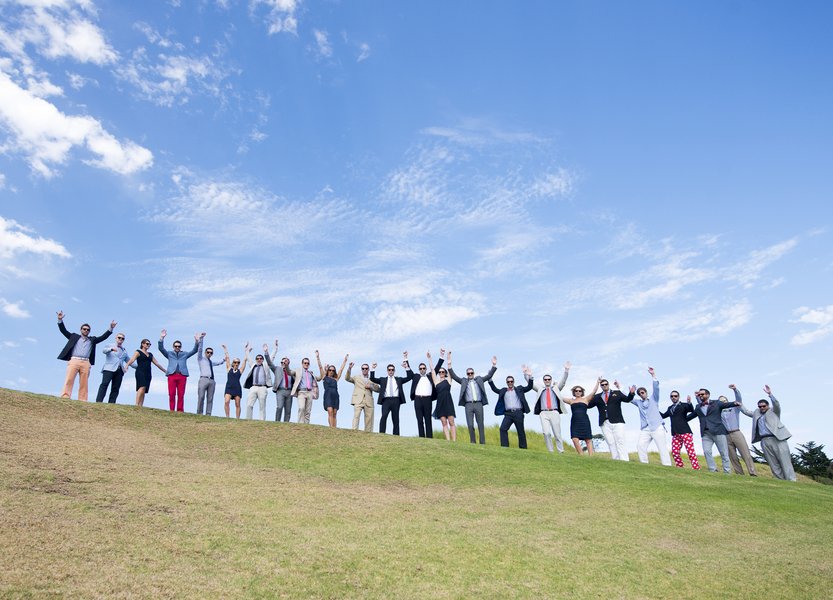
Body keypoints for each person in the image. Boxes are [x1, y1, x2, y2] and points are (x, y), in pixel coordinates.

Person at [739, 385, 795, 481]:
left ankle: (791, 480)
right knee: (772, 462)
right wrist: (739, 404)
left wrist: (770, 394)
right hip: (764, 440)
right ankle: (779, 480)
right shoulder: (757, 413)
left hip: (777, 438)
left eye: (764, 406)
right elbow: (746, 411)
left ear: (768, 406)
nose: (762, 408)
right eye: (760, 406)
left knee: (784, 461)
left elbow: (777, 404)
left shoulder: (774, 411)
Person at [56, 311, 115, 401]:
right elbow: (63, 331)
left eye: (88, 329)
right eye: (84, 329)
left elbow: (103, 337)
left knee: (84, 382)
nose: (86, 330)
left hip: (86, 362)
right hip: (74, 360)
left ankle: (82, 399)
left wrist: (110, 328)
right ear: (81, 330)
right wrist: (60, 320)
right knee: (69, 379)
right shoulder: (74, 337)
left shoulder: (92, 340)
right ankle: (65, 396)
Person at [448, 352, 497, 444]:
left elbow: (489, 375)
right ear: (467, 374)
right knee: (470, 424)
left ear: (474, 373)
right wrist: (449, 365)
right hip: (468, 405)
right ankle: (473, 442)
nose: (470, 374)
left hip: (478, 404)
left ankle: (482, 443)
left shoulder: (479, 379)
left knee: (480, 424)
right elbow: (454, 376)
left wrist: (493, 365)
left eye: (471, 373)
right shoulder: (463, 381)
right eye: (468, 373)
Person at [629, 368, 672, 466]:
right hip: (646, 428)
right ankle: (644, 464)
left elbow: (656, 388)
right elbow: (629, 399)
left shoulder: (654, 399)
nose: (641, 394)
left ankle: (667, 466)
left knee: (662, 447)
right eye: (639, 393)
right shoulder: (638, 402)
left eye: (642, 392)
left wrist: (653, 375)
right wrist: (620, 388)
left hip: (657, 427)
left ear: (646, 392)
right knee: (640, 446)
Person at [526, 362, 570, 453]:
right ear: (543, 381)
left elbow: (563, 381)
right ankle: (550, 451)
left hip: (554, 412)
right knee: (546, 433)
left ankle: (561, 451)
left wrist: (566, 370)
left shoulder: (556, 388)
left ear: (551, 380)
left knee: (557, 434)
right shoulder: (540, 389)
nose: (547, 381)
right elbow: (530, 384)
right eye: (545, 379)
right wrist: (527, 375)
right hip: (543, 413)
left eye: (548, 379)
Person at [691, 389, 737, 473]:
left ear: (708, 395)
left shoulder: (716, 403)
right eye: (699, 395)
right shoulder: (698, 407)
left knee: (723, 453)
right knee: (706, 451)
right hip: (706, 433)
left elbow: (726, 404)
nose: (701, 396)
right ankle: (713, 470)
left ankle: (727, 471)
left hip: (718, 431)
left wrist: (735, 403)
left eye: (702, 394)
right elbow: (690, 416)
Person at [490, 366, 535, 449]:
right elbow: (494, 389)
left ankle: (523, 449)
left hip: (518, 413)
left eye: (511, 381)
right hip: (508, 414)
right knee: (503, 429)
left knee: (520, 431)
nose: (510, 382)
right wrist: (490, 379)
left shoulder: (519, 389)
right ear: (506, 382)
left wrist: (530, 377)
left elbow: (529, 387)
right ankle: (505, 448)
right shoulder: (503, 391)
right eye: (508, 381)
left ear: (513, 382)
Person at [370, 352, 413, 435]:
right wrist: (373, 368)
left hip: (396, 400)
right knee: (384, 416)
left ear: (394, 371)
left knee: (395, 419)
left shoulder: (399, 379)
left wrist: (406, 367)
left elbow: (410, 377)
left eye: (392, 370)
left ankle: (396, 436)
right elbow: (372, 378)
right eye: (389, 370)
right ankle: (382, 434)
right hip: (386, 400)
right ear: (387, 371)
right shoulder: (383, 379)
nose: (391, 371)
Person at [590, 378, 633, 461]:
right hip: (604, 422)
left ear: (608, 385)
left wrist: (631, 393)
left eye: (606, 384)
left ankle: (624, 460)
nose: (604, 386)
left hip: (617, 421)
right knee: (610, 442)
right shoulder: (597, 397)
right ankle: (616, 460)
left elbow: (628, 399)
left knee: (620, 440)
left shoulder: (617, 393)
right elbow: (588, 405)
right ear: (600, 386)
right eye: (602, 385)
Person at [158, 330, 199, 412]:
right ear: (173, 347)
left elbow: (194, 350)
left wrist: (197, 341)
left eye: (179, 346)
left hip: (182, 375)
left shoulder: (185, 354)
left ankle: (180, 410)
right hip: (172, 375)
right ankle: (172, 410)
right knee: (171, 394)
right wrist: (162, 338)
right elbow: (161, 348)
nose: (177, 347)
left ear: (181, 347)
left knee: (181, 394)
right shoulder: (169, 354)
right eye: (176, 346)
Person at [408, 348, 445, 438]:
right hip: (418, 400)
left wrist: (441, 356)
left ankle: (429, 437)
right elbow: (409, 370)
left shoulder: (430, 376)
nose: (422, 370)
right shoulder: (416, 376)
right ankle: (421, 437)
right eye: (420, 368)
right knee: (419, 419)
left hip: (428, 400)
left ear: (426, 369)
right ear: (419, 369)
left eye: (424, 368)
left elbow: (437, 367)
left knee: (428, 419)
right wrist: (405, 359)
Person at [722, 384, 758, 476]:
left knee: (745, 453)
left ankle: (752, 472)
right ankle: (739, 473)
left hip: (736, 432)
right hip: (725, 435)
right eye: (721, 401)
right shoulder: (719, 411)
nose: (723, 402)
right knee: (732, 456)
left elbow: (738, 400)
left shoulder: (734, 408)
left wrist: (735, 390)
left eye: (724, 400)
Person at [560, 378, 601, 455]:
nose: (578, 392)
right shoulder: (571, 401)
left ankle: (591, 457)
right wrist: (556, 387)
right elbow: (560, 397)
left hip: (584, 420)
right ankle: (581, 455)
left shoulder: (586, 399)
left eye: (579, 391)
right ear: (574, 392)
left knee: (588, 439)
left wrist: (598, 382)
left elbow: (594, 392)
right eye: (576, 391)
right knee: (574, 439)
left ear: (582, 392)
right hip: (575, 421)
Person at [660, 391, 700, 469]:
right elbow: (664, 415)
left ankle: (696, 467)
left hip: (685, 431)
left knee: (690, 451)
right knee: (675, 451)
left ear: (678, 397)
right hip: (675, 433)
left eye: (675, 396)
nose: (673, 397)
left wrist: (689, 402)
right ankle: (679, 466)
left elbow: (691, 410)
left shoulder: (684, 405)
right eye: (672, 396)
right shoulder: (670, 408)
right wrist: (654, 409)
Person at [124, 339, 166, 407]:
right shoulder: (138, 352)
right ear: (142, 344)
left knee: (144, 389)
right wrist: (127, 365)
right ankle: (136, 404)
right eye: (147, 343)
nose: (148, 345)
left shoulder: (150, 354)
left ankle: (141, 405)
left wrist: (165, 371)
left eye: (149, 344)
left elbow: (157, 364)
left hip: (148, 373)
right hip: (140, 371)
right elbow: (132, 359)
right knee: (141, 387)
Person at [426, 351, 455, 440]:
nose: (441, 373)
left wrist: (448, 358)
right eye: (440, 372)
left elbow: (450, 368)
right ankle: (448, 440)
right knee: (443, 422)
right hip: (440, 402)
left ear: (445, 373)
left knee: (451, 421)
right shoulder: (436, 381)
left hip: (448, 401)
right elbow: (432, 370)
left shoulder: (448, 380)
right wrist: (429, 359)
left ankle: (454, 441)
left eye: (443, 372)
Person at [316, 350, 349, 428]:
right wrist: (317, 357)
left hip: (335, 396)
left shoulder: (336, 379)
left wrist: (345, 361)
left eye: (333, 370)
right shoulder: (324, 377)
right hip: (328, 396)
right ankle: (331, 428)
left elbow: (341, 370)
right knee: (330, 411)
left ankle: (334, 428)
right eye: (330, 370)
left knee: (334, 413)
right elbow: (320, 367)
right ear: (328, 371)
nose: (331, 371)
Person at [94, 332, 130, 404]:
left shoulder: (124, 350)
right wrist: (111, 349)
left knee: (116, 388)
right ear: (116, 338)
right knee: (104, 384)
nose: (121, 339)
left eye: (122, 338)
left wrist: (139, 367)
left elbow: (129, 361)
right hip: (109, 369)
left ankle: (112, 403)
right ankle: (99, 401)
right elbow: (104, 351)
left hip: (119, 370)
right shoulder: (110, 345)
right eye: (119, 338)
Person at [263, 340, 294, 422]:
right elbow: (269, 363)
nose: (283, 363)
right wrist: (266, 352)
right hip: (280, 391)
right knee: (279, 407)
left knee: (288, 411)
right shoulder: (277, 369)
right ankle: (277, 423)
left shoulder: (291, 372)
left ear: (288, 363)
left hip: (289, 392)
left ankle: (286, 425)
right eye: (282, 362)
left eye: (285, 362)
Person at [344, 361, 380, 432]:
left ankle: (368, 434)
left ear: (368, 369)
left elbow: (378, 389)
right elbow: (347, 378)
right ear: (361, 369)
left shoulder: (372, 378)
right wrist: (349, 368)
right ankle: (354, 431)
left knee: (369, 419)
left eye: (366, 368)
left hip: (368, 401)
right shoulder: (356, 377)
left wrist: (371, 386)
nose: (364, 370)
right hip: (358, 399)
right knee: (356, 416)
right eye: (363, 368)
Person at [195, 333, 225, 416]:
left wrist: (223, 360)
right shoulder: (200, 359)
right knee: (201, 397)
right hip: (203, 379)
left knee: (210, 398)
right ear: (205, 352)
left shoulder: (211, 362)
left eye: (211, 353)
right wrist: (201, 339)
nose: (209, 354)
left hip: (212, 380)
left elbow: (217, 363)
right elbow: (200, 349)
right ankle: (199, 413)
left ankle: (208, 414)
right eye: (208, 352)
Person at [222, 344, 250, 419]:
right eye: (235, 362)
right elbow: (227, 358)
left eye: (238, 362)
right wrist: (225, 349)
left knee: (237, 404)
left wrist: (247, 351)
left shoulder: (240, 371)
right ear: (233, 363)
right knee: (226, 401)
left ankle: (237, 418)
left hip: (237, 388)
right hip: (229, 388)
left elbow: (244, 360)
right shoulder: (229, 369)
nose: (236, 364)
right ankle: (227, 417)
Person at [244, 348, 273, 420]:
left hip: (262, 387)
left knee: (262, 405)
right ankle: (248, 419)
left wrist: (269, 350)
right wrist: (247, 351)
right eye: (257, 358)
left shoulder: (266, 365)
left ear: (263, 360)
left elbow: (271, 358)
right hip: (253, 387)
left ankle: (262, 420)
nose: (259, 359)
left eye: (260, 358)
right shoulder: (253, 365)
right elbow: (248, 358)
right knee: (249, 404)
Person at [290, 356, 319, 424]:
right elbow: (289, 373)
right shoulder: (297, 370)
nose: (306, 364)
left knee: (308, 411)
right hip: (301, 392)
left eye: (308, 363)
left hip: (309, 392)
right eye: (305, 363)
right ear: (302, 364)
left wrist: (324, 370)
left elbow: (320, 378)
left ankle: (306, 425)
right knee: (301, 408)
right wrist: (287, 365)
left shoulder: (310, 373)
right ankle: (300, 424)